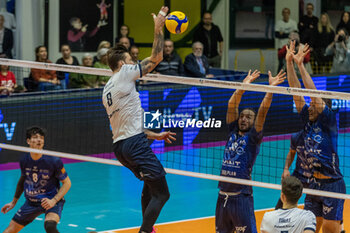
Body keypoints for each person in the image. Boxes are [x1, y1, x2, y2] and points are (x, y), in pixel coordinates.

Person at [102, 7, 175, 233]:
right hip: (134, 145)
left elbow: (127, 127)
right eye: (130, 60)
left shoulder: (106, 89)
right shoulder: (124, 74)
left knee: (149, 185)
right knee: (163, 193)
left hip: (120, 147)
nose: (134, 62)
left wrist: (155, 135)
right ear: (122, 65)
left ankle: (148, 229)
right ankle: (144, 231)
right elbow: (157, 57)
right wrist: (158, 28)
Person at [286, 40, 346, 233]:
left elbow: (313, 95)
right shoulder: (307, 120)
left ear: (322, 108)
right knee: (308, 228)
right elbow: (297, 93)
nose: (309, 106)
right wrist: (289, 63)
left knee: (330, 230)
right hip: (313, 184)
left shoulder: (328, 120)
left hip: (333, 184)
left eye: (313, 105)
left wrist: (301, 65)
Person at [216, 69, 286, 233]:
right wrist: (243, 86)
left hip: (241, 197)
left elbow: (262, 112)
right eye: (242, 116)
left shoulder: (253, 137)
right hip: (222, 196)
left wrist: (270, 90)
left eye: (248, 117)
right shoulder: (232, 131)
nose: (244, 118)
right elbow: (231, 104)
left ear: (254, 122)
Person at [1, 126, 71, 233]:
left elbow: (67, 183)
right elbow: (23, 179)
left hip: (50, 201)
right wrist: (13, 202)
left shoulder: (53, 160)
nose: (39, 140)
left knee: (50, 227)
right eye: (35, 137)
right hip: (31, 203)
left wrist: (54, 200)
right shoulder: (24, 160)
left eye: (41, 138)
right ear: (28, 141)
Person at [275, 130, 313, 209]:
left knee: (313, 206)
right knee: (286, 193)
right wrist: (286, 169)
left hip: (315, 177)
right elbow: (291, 153)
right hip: (299, 174)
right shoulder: (296, 137)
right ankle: (277, 215)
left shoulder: (319, 138)